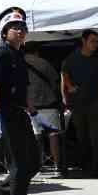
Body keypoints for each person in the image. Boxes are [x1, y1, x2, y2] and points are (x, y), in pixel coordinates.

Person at [0, 7, 44, 195]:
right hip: (6, 114)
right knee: (19, 164)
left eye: (22, 27)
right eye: (14, 28)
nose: (20, 31)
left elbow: (22, 89)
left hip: (20, 113)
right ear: (4, 33)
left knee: (34, 162)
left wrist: (34, 113)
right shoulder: (1, 54)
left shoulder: (19, 55)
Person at [61, 30, 98, 177]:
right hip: (77, 104)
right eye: (92, 41)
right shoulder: (71, 59)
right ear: (83, 41)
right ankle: (86, 165)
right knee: (82, 136)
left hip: (96, 102)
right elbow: (64, 75)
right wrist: (67, 94)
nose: (95, 44)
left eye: (97, 41)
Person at [24, 45, 63, 176]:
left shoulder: (20, 64)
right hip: (49, 104)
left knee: (36, 137)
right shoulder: (44, 63)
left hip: (31, 106)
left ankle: (37, 166)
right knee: (53, 135)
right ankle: (58, 166)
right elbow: (56, 82)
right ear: (36, 52)